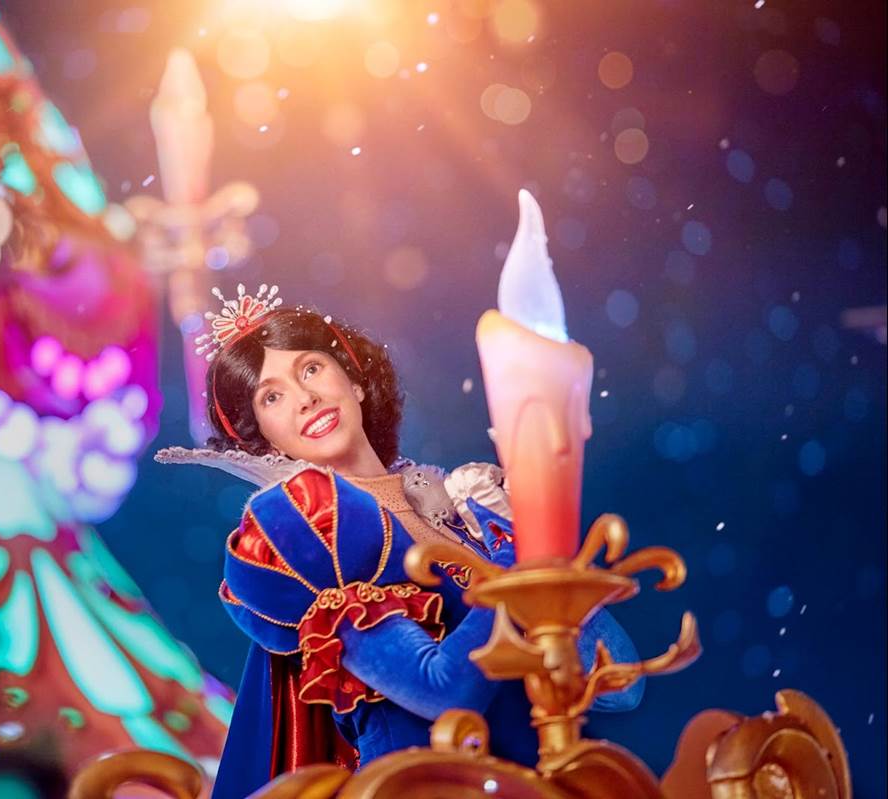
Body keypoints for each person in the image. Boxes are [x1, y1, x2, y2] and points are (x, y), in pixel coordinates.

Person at [157, 285, 643, 798]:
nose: (305, 398)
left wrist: (535, 535)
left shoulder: (465, 513)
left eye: (311, 369)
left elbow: (621, 682)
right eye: (272, 396)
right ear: (265, 439)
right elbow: (442, 693)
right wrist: (517, 565)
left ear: (355, 382)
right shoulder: (314, 531)